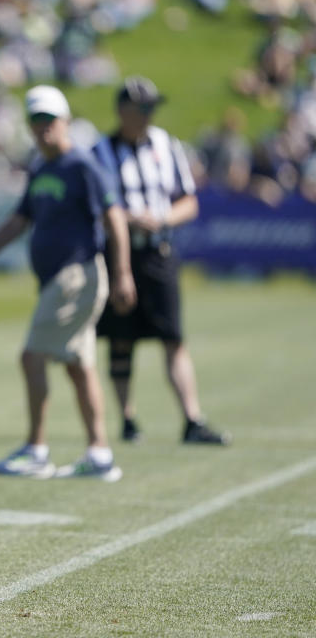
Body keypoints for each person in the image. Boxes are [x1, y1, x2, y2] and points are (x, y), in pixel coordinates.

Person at [0, 85, 136, 482]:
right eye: (36, 122)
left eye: (49, 121)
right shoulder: (41, 168)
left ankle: (36, 450)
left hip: (76, 276)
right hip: (59, 280)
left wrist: (124, 272)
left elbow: (115, 218)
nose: (43, 129)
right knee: (78, 366)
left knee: (32, 356)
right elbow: (21, 218)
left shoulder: (82, 166)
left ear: (66, 123)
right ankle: (99, 454)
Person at [92, 76, 231, 445]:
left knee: (173, 336)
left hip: (158, 252)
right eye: (143, 108)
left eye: (153, 107)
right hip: (119, 252)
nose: (150, 115)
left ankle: (192, 418)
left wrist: (163, 218)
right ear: (123, 111)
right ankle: (127, 419)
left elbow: (189, 201)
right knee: (121, 339)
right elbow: (96, 205)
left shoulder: (166, 145)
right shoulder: (101, 151)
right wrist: (125, 218)